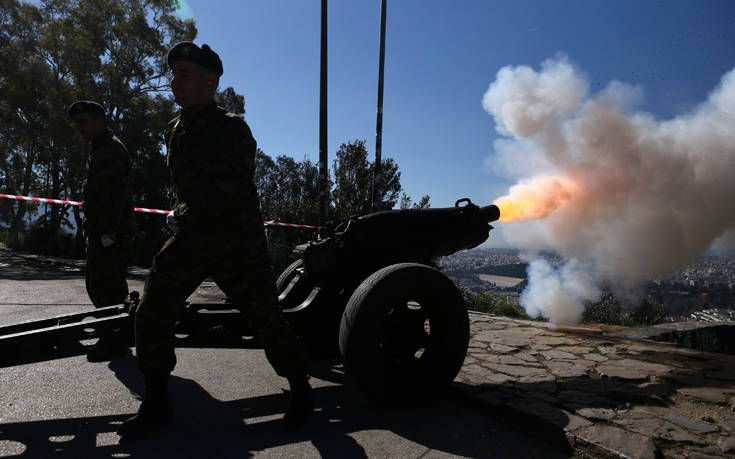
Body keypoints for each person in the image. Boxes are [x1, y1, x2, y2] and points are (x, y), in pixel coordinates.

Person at [117, 42, 312, 439]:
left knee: (266, 320)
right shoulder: (174, 129)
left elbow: (229, 188)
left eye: (183, 75)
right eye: (172, 74)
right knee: (151, 311)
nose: (174, 82)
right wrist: (181, 215)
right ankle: (156, 403)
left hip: (235, 243)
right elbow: (185, 187)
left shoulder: (231, 127)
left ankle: (301, 391)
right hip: (192, 240)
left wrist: (181, 214)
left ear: (210, 81)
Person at [68, 100, 136, 361]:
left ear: (99, 120)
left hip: (111, 232)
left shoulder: (111, 149)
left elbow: (114, 195)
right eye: (77, 123)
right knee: (103, 287)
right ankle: (115, 336)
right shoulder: (99, 148)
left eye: (84, 122)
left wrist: (107, 233)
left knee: (105, 287)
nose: (80, 128)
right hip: (103, 231)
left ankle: (114, 340)